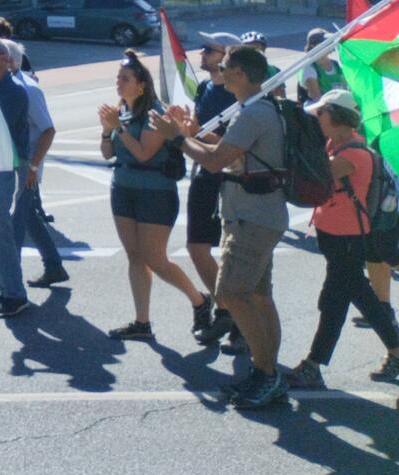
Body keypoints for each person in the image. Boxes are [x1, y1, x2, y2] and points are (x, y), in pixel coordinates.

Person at [172, 44, 289, 409]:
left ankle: (267, 374)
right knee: (257, 296)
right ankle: (266, 373)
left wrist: (177, 140)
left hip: (252, 218)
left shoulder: (254, 113)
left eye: (224, 66)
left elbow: (215, 162)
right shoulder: (258, 109)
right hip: (257, 215)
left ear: (239, 73)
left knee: (233, 294)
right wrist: (194, 133)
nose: (219, 70)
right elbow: (230, 148)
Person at [282, 90, 399, 389]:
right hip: (336, 238)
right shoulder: (337, 145)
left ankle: (313, 364)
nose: (315, 118)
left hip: (348, 238)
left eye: (319, 113)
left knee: (333, 303)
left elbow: (311, 177)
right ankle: (397, 352)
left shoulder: (354, 155)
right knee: (365, 299)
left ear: (335, 116)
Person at [98, 52, 210, 343]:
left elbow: (144, 154)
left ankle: (199, 300)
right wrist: (107, 130)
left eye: (125, 79)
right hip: (122, 187)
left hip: (155, 192)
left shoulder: (154, 115)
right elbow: (108, 154)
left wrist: (118, 128)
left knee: (155, 258)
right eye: (118, 78)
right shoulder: (120, 112)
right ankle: (142, 321)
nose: (118, 83)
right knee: (134, 256)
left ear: (141, 85)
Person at [0, 36, 39, 319]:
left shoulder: (13, 92)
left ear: (3, 59)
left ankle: (15, 293)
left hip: (7, 166)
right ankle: (6, 285)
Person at [183, 33, 238, 319]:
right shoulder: (204, 87)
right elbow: (195, 127)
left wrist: (202, 137)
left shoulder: (238, 94)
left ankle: (235, 316)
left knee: (231, 254)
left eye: (209, 50)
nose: (202, 54)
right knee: (196, 247)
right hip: (203, 173)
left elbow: (235, 146)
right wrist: (182, 125)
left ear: (226, 55)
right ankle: (225, 308)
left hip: (229, 179)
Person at [9, 45, 69, 289]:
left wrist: (33, 167)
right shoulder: (7, 86)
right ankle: (54, 266)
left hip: (25, 166)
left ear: (8, 61)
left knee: (15, 222)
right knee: (29, 216)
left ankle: (7, 278)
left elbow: (48, 129)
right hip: (13, 165)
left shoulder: (28, 90)